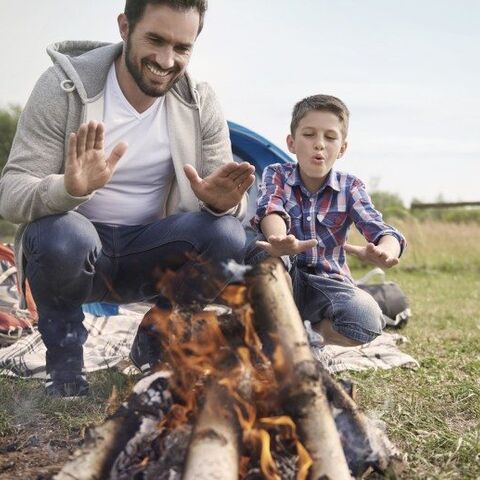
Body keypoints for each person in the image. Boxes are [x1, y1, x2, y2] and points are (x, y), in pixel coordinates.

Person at [0, 0, 255, 397]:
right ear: (124, 27)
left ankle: (155, 340)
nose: (166, 60)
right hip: (75, 254)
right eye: (155, 40)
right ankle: (65, 369)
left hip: (150, 255)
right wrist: (67, 190)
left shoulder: (200, 101)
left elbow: (228, 199)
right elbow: (10, 194)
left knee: (226, 233)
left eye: (182, 48)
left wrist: (222, 202)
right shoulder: (61, 87)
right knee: (61, 234)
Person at [251, 94, 406, 347]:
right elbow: (271, 208)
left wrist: (386, 251)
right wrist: (277, 239)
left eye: (330, 137)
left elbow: (381, 230)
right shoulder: (276, 174)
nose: (319, 144)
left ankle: (306, 340)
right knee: (263, 255)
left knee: (367, 318)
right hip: (284, 275)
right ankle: (275, 337)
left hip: (328, 285)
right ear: (291, 142)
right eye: (309, 134)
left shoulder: (351, 187)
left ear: (342, 148)